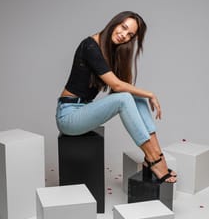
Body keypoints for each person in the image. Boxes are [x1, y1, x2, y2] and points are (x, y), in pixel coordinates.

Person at [56, 11, 177, 183]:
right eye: (123, 27)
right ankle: (153, 158)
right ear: (115, 22)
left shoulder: (112, 50)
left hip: (84, 109)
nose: (123, 35)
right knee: (127, 97)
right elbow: (117, 86)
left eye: (130, 35)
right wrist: (151, 94)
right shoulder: (90, 45)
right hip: (68, 116)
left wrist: (142, 95)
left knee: (135, 97)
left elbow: (123, 89)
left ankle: (157, 154)